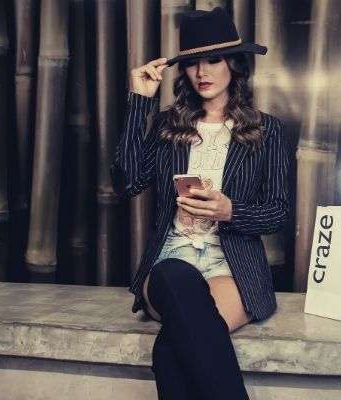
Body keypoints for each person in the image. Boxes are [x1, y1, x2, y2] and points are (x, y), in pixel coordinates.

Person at [110, 7, 289, 400]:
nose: (202, 72)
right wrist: (140, 101)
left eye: (213, 60)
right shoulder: (166, 124)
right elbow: (128, 184)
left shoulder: (266, 129)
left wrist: (231, 210)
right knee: (178, 279)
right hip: (171, 259)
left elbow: (278, 211)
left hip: (232, 265)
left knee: (176, 345)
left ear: (235, 65)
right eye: (192, 63)